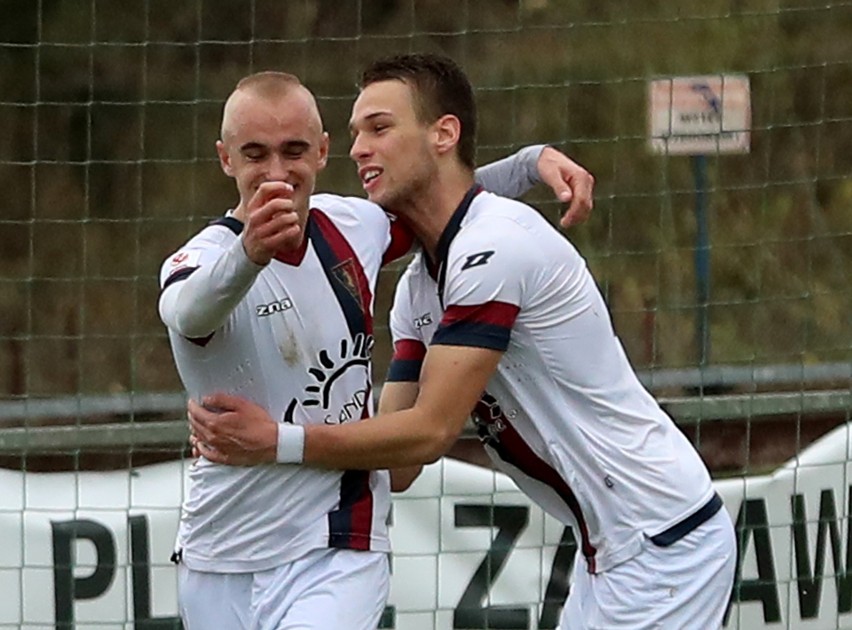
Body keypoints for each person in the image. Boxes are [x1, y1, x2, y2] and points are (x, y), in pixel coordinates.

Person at [189, 54, 737, 629]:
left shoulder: (495, 246)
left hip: (664, 540)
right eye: (354, 134)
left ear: (444, 133)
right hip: (612, 551)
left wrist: (276, 439)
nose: (358, 150)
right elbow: (398, 466)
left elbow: (428, 432)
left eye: (379, 127)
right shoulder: (418, 291)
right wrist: (265, 422)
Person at [159, 69, 594, 629]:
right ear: (226, 159)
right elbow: (188, 310)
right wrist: (250, 253)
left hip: (339, 544)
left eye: (293, 151)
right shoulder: (200, 260)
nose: (275, 172)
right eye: (255, 154)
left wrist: (531, 163)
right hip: (220, 553)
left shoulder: (353, 224)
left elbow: (443, 201)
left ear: (321, 152)